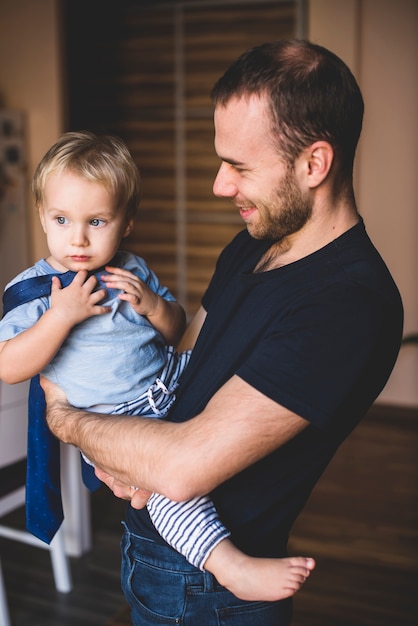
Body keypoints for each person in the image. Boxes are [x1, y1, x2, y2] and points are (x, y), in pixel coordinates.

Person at [40, 39, 403, 626]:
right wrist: (127, 442)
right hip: (152, 550)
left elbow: (182, 469)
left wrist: (66, 417)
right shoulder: (252, 244)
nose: (219, 185)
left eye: (239, 166)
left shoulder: (349, 305)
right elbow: (182, 365)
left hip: (210, 590)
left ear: (314, 164)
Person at [0, 130, 314, 603]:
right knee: (169, 492)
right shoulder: (34, 292)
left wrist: (151, 305)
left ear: (126, 223)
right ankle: (229, 564)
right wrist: (60, 317)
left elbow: (176, 327)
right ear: (43, 216)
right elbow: (9, 366)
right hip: (120, 416)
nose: (79, 238)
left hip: (170, 376)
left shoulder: (132, 268)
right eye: (62, 219)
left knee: (228, 364)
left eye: (97, 221)